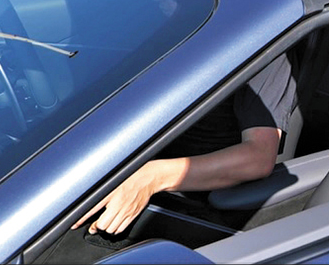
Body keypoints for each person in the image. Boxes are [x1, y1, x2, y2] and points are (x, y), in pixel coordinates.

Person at [71, 49, 296, 236]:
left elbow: (259, 156)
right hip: (107, 169)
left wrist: (151, 178)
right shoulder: (164, 28)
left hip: (186, 208)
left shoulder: (260, 46)